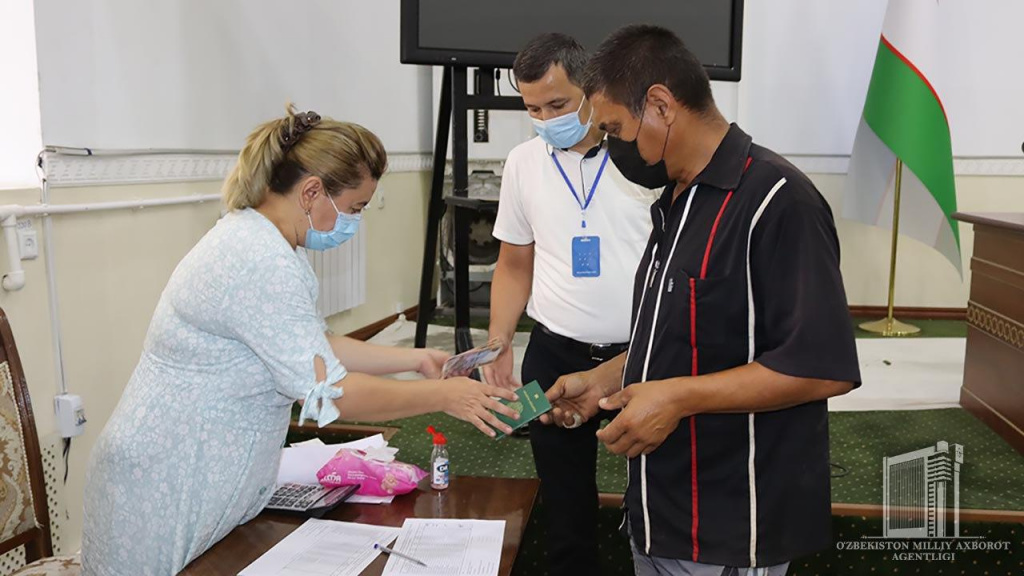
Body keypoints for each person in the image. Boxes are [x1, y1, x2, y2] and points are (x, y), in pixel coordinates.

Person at [82, 107, 520, 575]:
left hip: (188, 470)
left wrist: (416, 360)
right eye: (355, 208)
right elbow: (333, 392)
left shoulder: (266, 243)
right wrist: (441, 395)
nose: (356, 222)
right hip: (163, 478)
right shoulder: (258, 259)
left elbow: (313, 345)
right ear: (312, 192)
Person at [542, 25, 861, 576]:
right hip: (661, 510)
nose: (613, 146)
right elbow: (688, 333)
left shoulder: (778, 202)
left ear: (661, 105)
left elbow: (821, 367)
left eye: (616, 128)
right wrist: (608, 379)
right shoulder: (675, 197)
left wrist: (678, 399)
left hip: (728, 521)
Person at [481, 33, 655, 576]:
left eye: (557, 104)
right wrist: (499, 340)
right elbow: (513, 263)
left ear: (590, 90)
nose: (545, 118)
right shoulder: (523, 163)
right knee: (563, 498)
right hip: (553, 352)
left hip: (641, 354)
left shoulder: (642, 155)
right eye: (532, 108)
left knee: (654, 489)